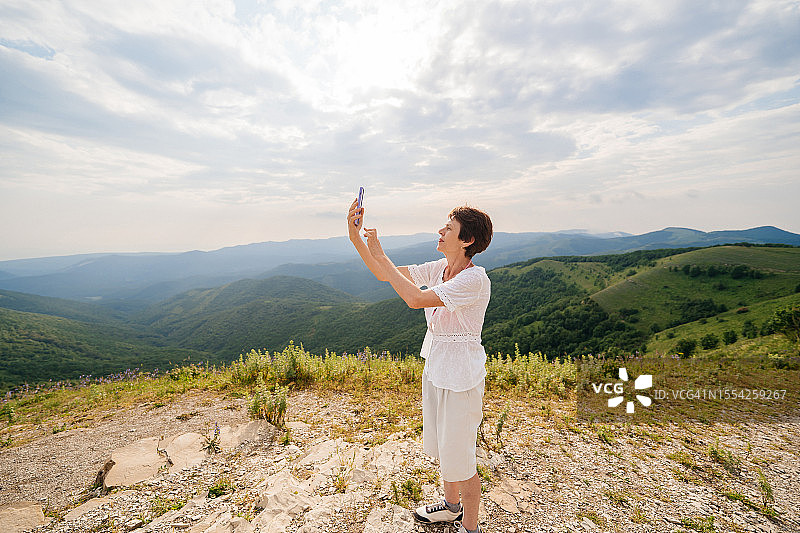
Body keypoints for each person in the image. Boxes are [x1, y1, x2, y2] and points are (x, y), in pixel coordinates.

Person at [347, 197, 493, 533]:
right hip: (438, 367)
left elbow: (414, 299)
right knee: (445, 445)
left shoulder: (474, 280)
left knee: (463, 458)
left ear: (466, 240)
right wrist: (356, 238)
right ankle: (451, 506)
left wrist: (382, 252)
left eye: (449, 228)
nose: (440, 231)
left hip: (462, 378)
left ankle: (470, 529)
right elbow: (383, 275)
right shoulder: (439, 269)